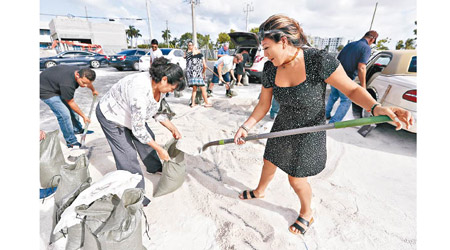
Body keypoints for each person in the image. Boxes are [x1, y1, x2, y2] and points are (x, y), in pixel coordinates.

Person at [233, 14, 413, 236]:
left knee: (296, 179)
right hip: (283, 125)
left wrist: (376, 108)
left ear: (284, 41)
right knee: (269, 160)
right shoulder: (271, 68)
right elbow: (263, 104)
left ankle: (307, 212)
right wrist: (246, 126)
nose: (264, 54)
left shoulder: (318, 61)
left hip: (311, 129)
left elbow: (352, 89)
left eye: (267, 47)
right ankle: (260, 190)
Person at [95, 57, 186, 206]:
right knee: (127, 156)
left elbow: (156, 111)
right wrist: (160, 149)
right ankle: (135, 194)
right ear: (164, 79)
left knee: (149, 139)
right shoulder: (139, 90)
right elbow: (138, 130)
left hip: (131, 114)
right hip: (112, 116)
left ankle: (154, 167)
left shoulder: (160, 87)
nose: (172, 91)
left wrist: (173, 128)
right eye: (173, 87)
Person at [325, 30, 378, 123]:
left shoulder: (350, 44)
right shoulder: (366, 48)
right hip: (346, 78)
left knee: (333, 96)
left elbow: (337, 59)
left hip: (335, 75)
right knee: (346, 100)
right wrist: (363, 87)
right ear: (372, 39)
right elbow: (362, 67)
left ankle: (325, 115)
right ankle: (333, 123)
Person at [40, 65, 98, 148]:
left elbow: (88, 82)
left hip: (55, 83)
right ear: (77, 75)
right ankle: (71, 142)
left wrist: (93, 90)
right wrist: (84, 117)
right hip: (45, 90)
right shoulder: (67, 84)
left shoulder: (82, 72)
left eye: (87, 84)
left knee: (73, 111)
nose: (85, 85)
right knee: (64, 115)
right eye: (83, 83)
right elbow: (71, 102)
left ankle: (77, 129)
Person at [185, 41, 212, 107]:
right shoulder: (201, 55)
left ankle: (193, 103)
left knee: (194, 89)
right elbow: (205, 66)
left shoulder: (188, 55)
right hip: (198, 75)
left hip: (191, 75)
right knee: (203, 88)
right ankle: (206, 103)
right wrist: (202, 73)